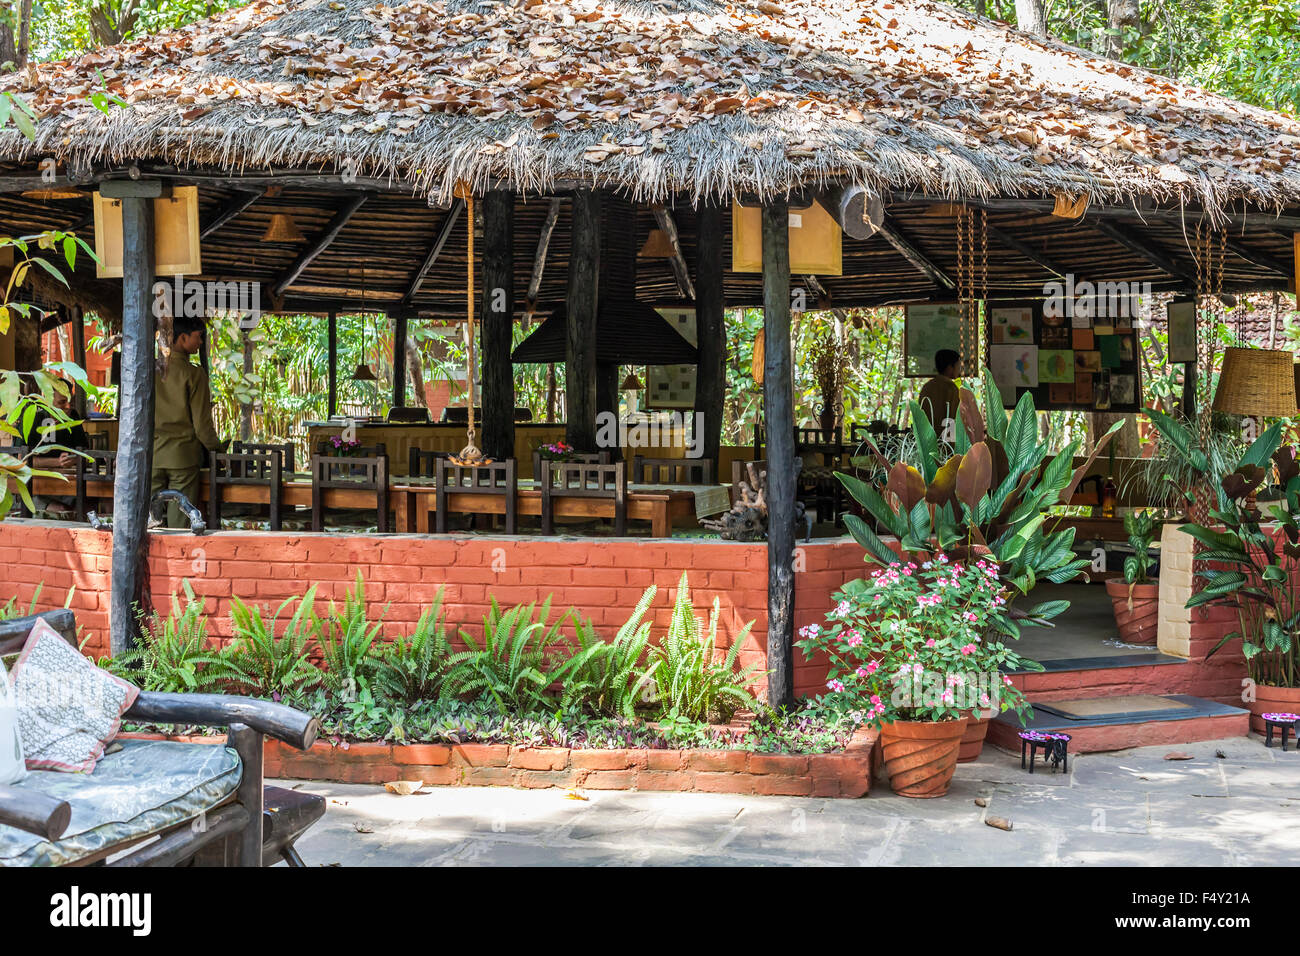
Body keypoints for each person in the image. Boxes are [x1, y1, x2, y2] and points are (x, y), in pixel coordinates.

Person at [152, 316, 224, 527]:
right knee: (180, 522)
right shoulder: (193, 374)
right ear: (183, 338)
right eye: (198, 337)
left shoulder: (149, 370)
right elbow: (202, 427)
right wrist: (217, 450)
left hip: (152, 455)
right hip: (182, 458)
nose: (200, 342)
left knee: (148, 519)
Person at [20, 379, 88, 516]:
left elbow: (85, 453)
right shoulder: (33, 416)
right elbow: (22, 459)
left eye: (70, 401)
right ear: (48, 399)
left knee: (93, 505)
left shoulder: (73, 416)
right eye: (62, 402)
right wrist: (57, 462)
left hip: (68, 486)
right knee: (64, 510)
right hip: (33, 489)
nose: (68, 406)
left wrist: (75, 459)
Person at [918, 349, 961, 439]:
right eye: (958, 365)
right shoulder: (951, 388)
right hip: (946, 441)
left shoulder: (927, 387)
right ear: (950, 367)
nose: (959, 369)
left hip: (927, 440)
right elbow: (952, 419)